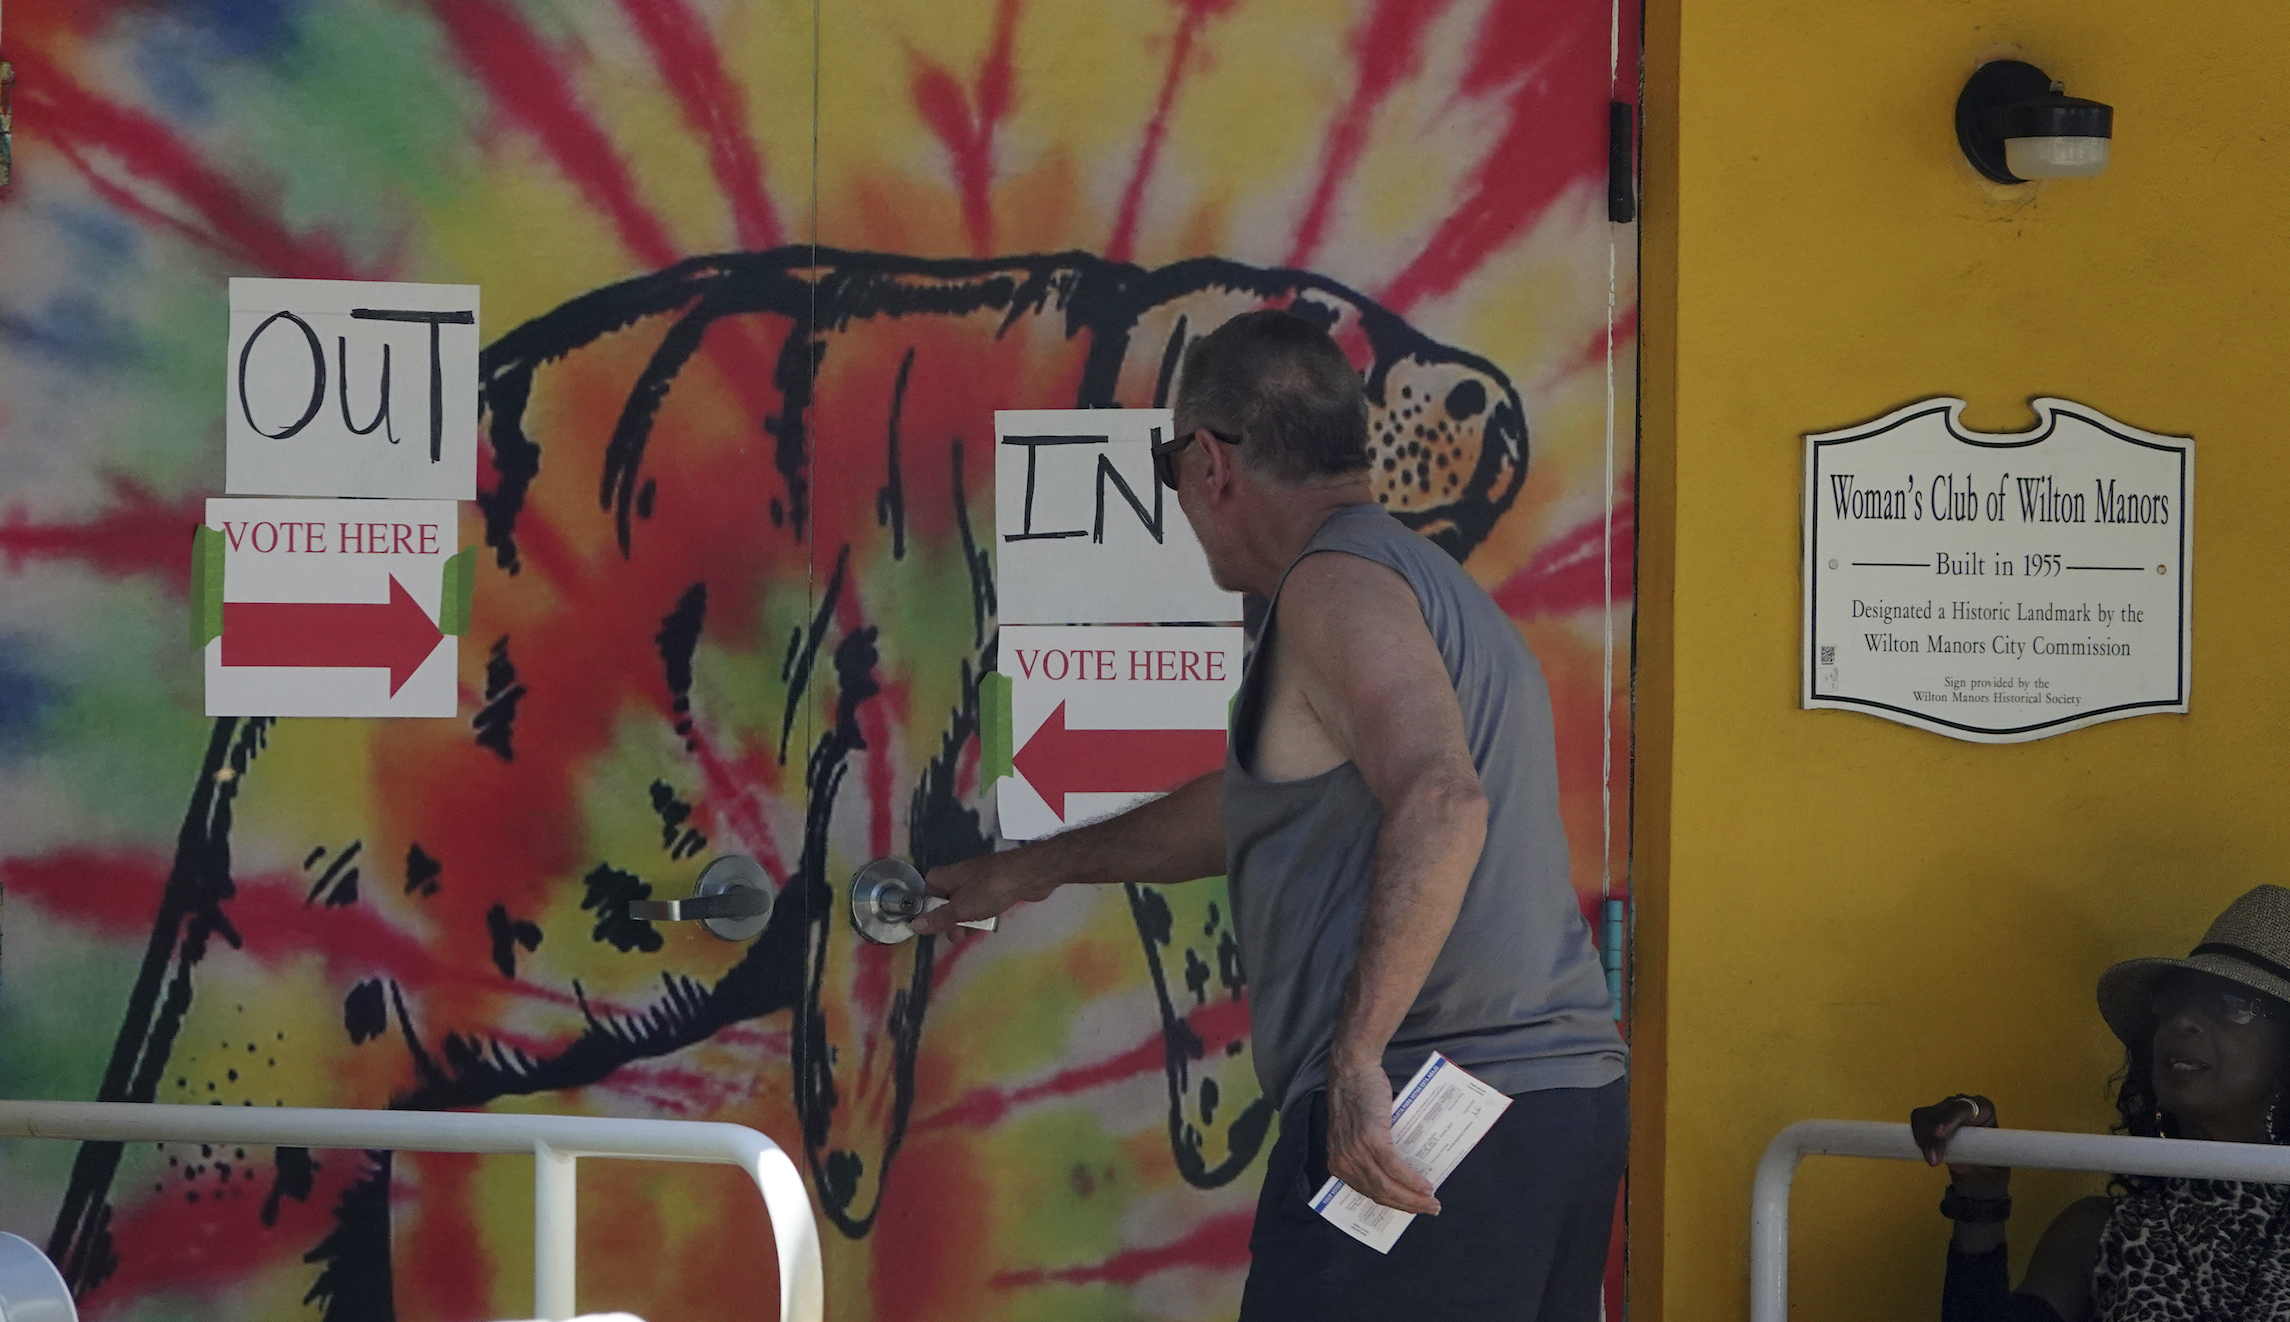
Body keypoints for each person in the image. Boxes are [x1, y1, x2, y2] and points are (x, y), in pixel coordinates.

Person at [915, 308, 1626, 1318]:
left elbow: (1442, 799)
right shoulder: (1417, 584)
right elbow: (1254, 806)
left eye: (1167, 467)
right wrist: (1029, 869)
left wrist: (1357, 1059)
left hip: (1430, 1112)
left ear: (1210, 463)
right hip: (1557, 1107)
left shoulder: (1332, 588)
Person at [1915, 884, 2290, 1321]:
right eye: (2172, 1002)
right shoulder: (2100, 1233)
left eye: (2229, 1005)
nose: (2183, 1021)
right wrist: (1980, 1195)